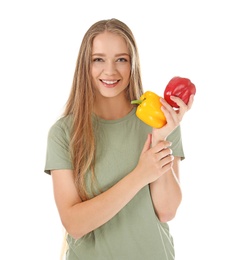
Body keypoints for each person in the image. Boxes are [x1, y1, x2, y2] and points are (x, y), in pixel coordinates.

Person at [44, 18, 194, 260]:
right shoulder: (64, 133)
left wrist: (160, 140)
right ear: (85, 65)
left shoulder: (161, 120)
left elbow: (166, 211)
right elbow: (75, 224)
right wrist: (140, 175)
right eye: (98, 59)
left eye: (121, 59)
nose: (110, 70)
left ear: (132, 64)